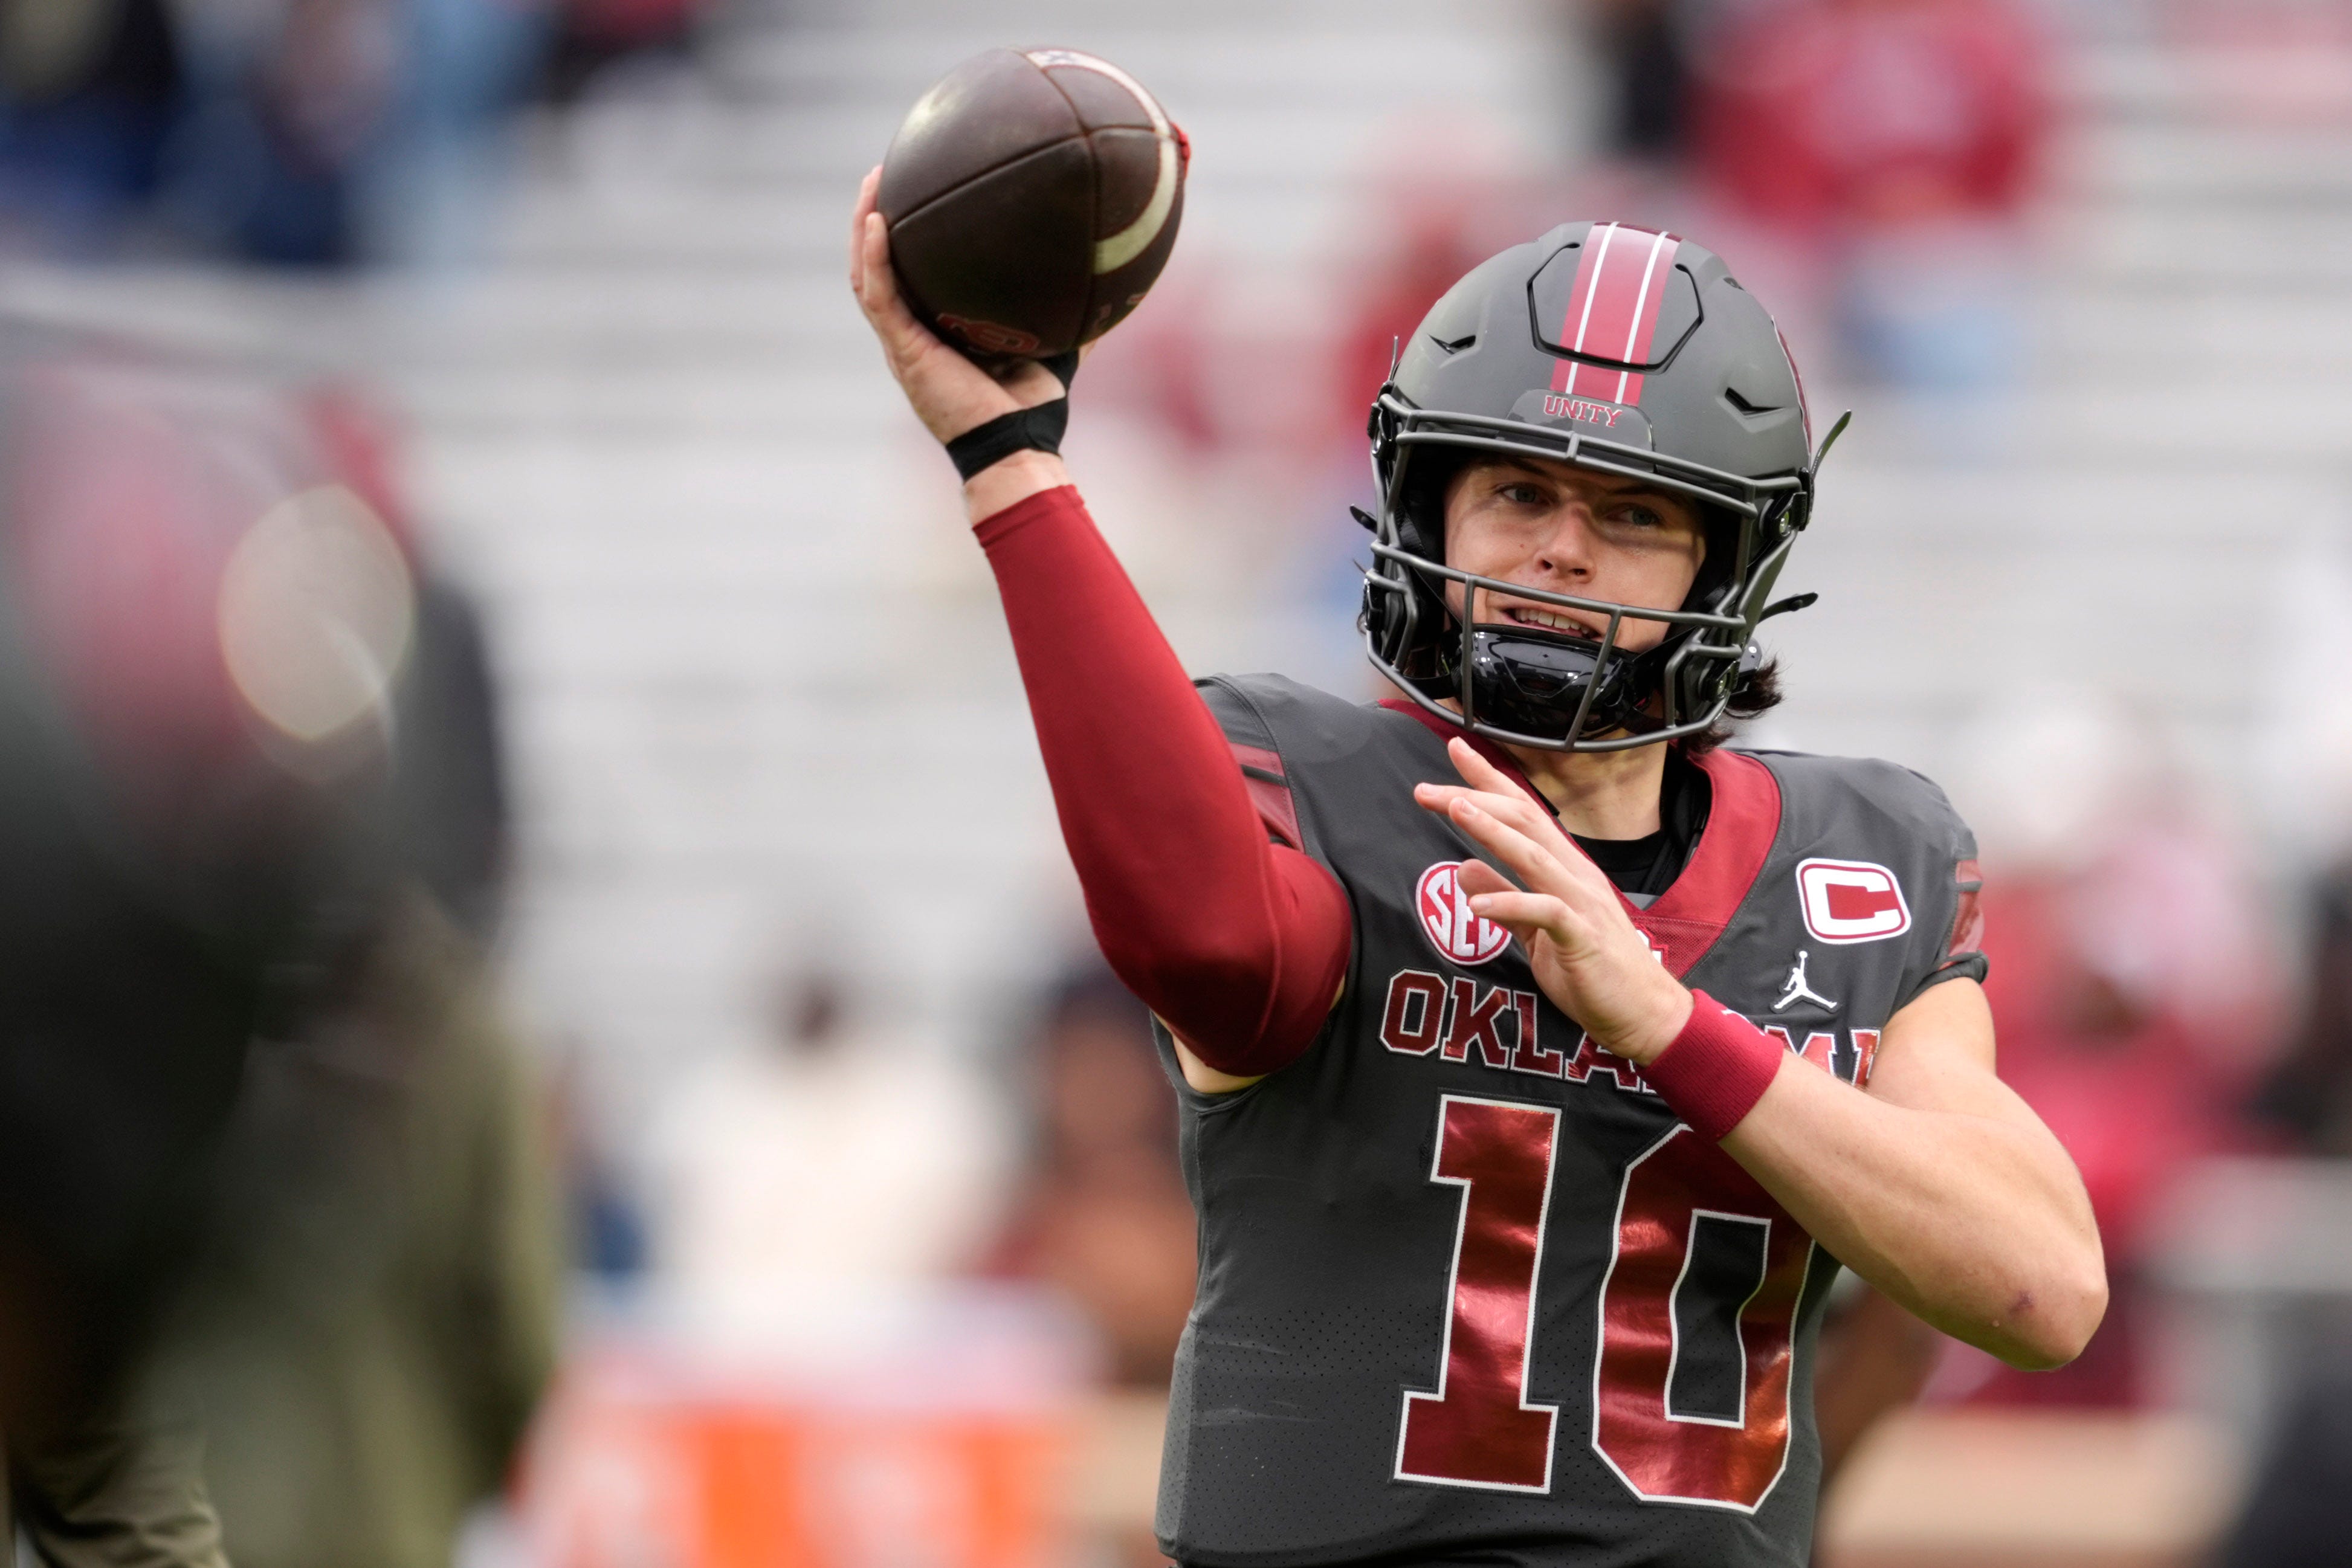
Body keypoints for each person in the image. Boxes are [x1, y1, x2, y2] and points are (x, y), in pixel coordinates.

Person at [850, 189, 2106, 1566]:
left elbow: (2038, 1285)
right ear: (1425, 510)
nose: (1557, 548)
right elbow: (1210, 944)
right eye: (1515, 491)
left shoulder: (1863, 852)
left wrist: (1669, 1025)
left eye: (1629, 512)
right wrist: (1013, 467)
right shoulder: (1309, 778)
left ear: (1726, 564)